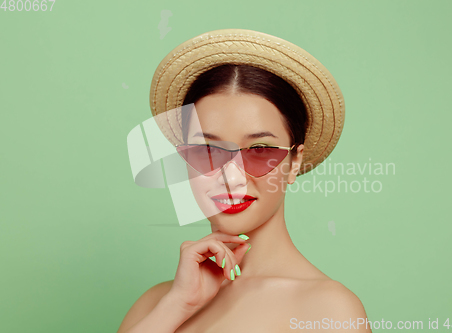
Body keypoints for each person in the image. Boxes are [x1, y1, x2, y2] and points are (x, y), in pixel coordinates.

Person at [118, 29, 371, 333]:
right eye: (207, 151)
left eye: (259, 150)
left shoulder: (330, 311)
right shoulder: (156, 305)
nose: (230, 177)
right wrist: (177, 306)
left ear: (295, 162)